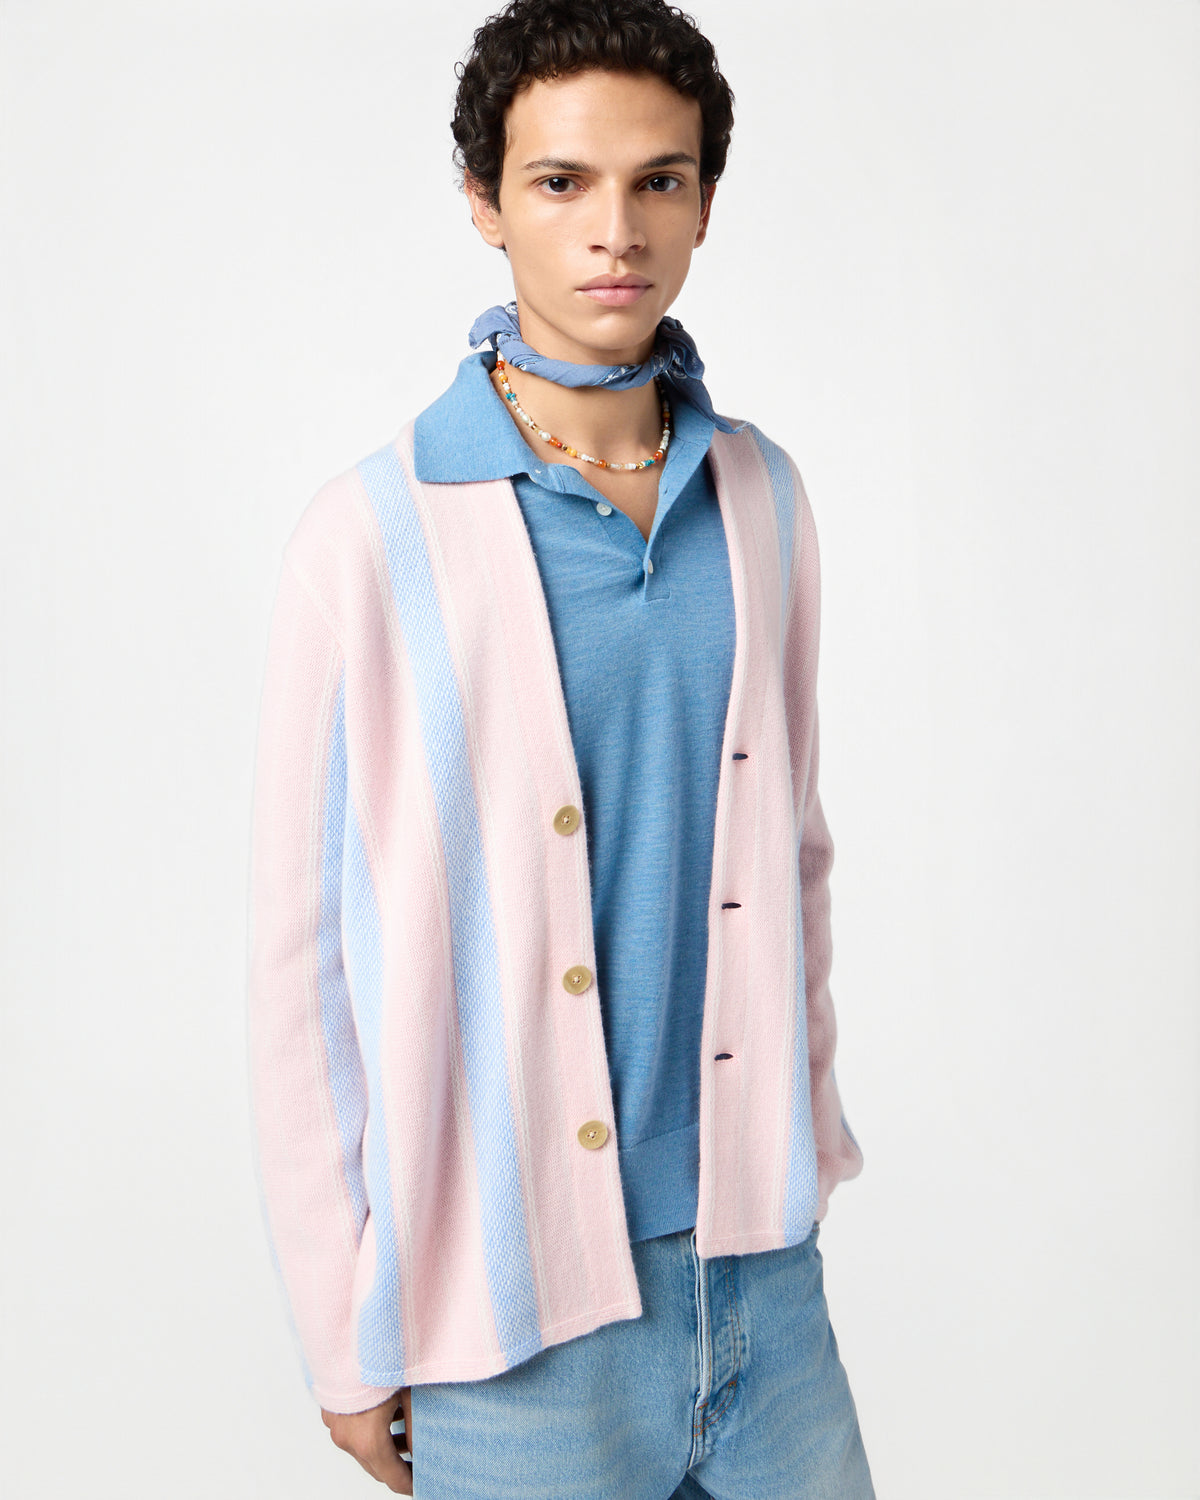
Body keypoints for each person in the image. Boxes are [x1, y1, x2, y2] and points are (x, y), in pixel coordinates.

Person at [246, 1, 875, 1495]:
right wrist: (345, 1334)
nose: (617, 230)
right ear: (485, 202)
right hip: (514, 1327)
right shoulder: (373, 538)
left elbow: (791, 849)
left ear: (706, 201)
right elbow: (304, 963)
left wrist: (797, 1141)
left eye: (659, 180)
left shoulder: (761, 497)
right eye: (560, 181)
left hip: (764, 1280)